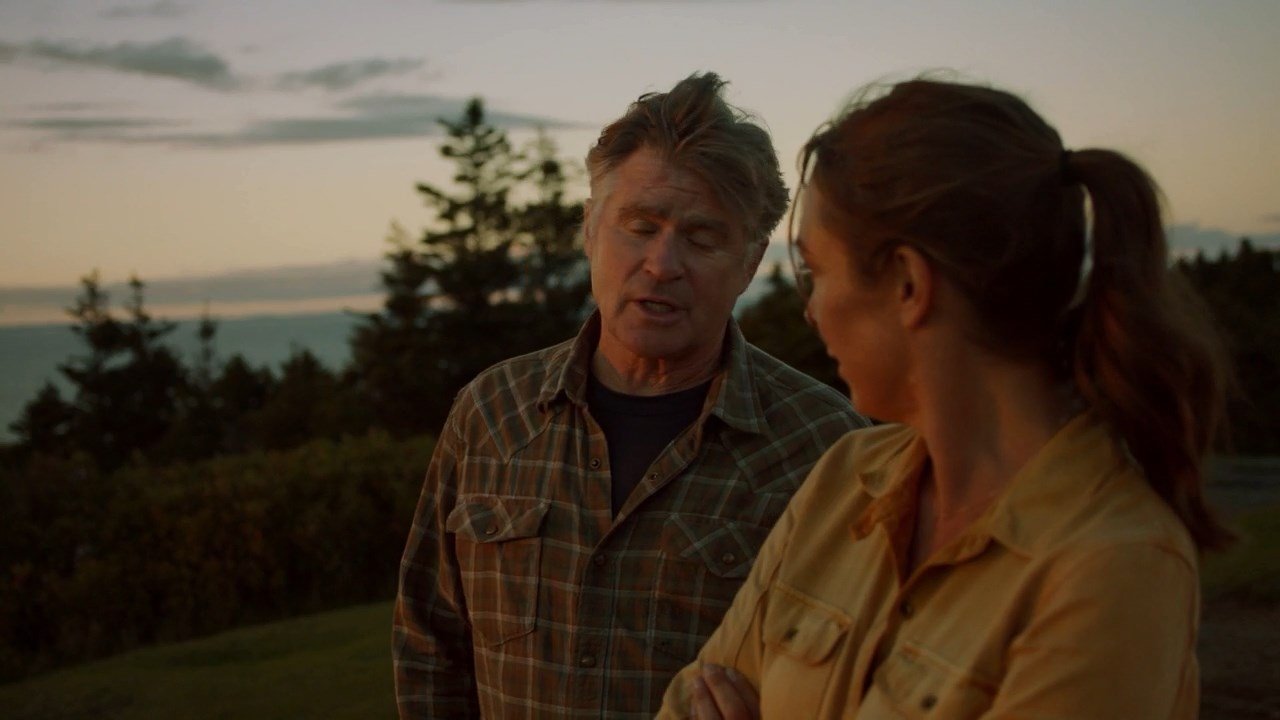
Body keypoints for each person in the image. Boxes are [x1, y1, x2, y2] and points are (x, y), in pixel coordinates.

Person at [658, 77, 1232, 719]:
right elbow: (689, 700)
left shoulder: (1113, 566)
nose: (811, 311)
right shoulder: (848, 477)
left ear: (909, 284)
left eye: (815, 272)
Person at [392, 72, 867, 719]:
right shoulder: (490, 413)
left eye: (701, 238)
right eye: (640, 227)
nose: (662, 264)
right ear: (591, 229)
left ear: (751, 261)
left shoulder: (827, 450)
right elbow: (429, 644)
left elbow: (862, 685)